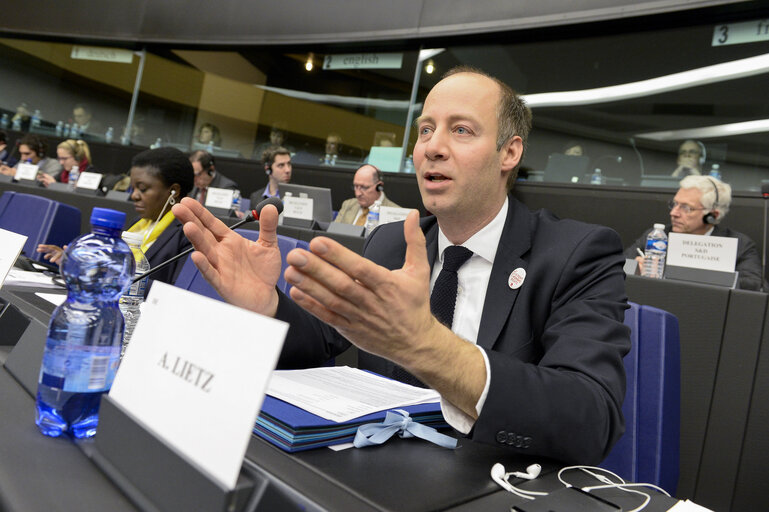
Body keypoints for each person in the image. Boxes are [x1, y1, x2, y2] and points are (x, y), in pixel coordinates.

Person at [173, 66, 630, 464]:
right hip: (376, 472)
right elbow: (322, 344)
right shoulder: (392, 242)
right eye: (426, 129)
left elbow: (591, 417)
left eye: (462, 130)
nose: (433, 147)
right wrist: (267, 306)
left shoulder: (576, 253)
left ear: (509, 153)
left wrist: (427, 347)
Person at [39, 147, 194, 290]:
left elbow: (176, 293)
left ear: (173, 191)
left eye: (143, 189)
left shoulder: (188, 235)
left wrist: (110, 274)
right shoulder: (138, 223)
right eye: (133, 188)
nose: (134, 196)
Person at [624, 175, 764, 290]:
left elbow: (755, 285)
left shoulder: (739, 245)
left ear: (712, 215)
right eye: (674, 204)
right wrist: (635, 268)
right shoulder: (658, 236)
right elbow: (619, 265)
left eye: (686, 208)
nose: (674, 213)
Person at [334, 164, 401, 226]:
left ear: (379, 186)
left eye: (364, 187)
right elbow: (333, 233)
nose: (358, 194)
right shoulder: (348, 204)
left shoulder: (395, 212)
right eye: (356, 186)